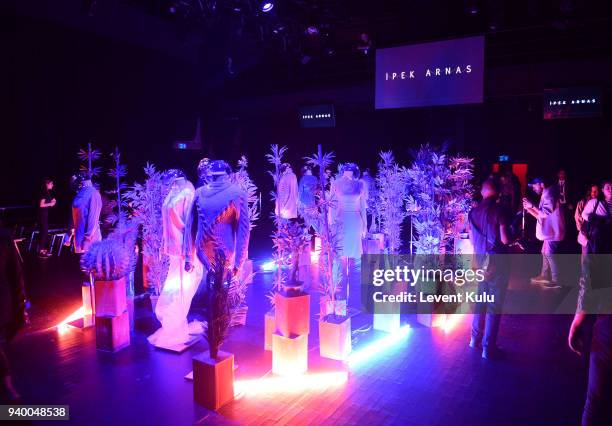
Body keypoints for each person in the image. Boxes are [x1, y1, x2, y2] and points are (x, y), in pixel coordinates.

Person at [569, 179, 612, 425]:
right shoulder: (594, 206)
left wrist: (578, 319)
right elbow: (583, 226)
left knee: (595, 398)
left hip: (606, 325)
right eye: (605, 188)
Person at [468, 178, 511, 360]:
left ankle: (473, 339)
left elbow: (471, 239)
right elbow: (505, 240)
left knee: (480, 301)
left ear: (483, 192)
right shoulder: (500, 210)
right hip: (497, 263)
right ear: (498, 192)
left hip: (479, 262)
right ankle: (488, 348)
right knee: (494, 306)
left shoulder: (473, 212)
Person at [0, 223, 27, 403]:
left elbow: (16, 274)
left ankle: (7, 385)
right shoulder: (4, 235)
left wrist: (21, 306)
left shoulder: (3, 236)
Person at [523, 177, 565, 288]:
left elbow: (545, 213)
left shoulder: (549, 194)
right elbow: (541, 216)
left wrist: (532, 206)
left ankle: (556, 279)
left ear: (541, 184)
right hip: (550, 231)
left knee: (549, 254)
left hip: (553, 232)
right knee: (545, 252)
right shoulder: (546, 194)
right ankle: (544, 275)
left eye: (534, 185)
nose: (533, 188)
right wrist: (530, 209)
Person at [576, 185, 600, 255]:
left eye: (596, 191)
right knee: (586, 256)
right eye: (592, 191)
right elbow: (577, 217)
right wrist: (582, 231)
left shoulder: (601, 203)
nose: (593, 193)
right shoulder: (582, 202)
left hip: (595, 236)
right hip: (585, 235)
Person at [37, 178, 56, 257]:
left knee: (44, 231)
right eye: (51, 183)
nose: (52, 185)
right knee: (44, 232)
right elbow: (41, 205)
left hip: (44, 214)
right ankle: (41, 251)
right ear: (47, 184)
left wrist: (52, 201)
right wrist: (51, 204)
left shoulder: (46, 192)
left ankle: (42, 249)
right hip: (42, 215)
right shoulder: (44, 192)